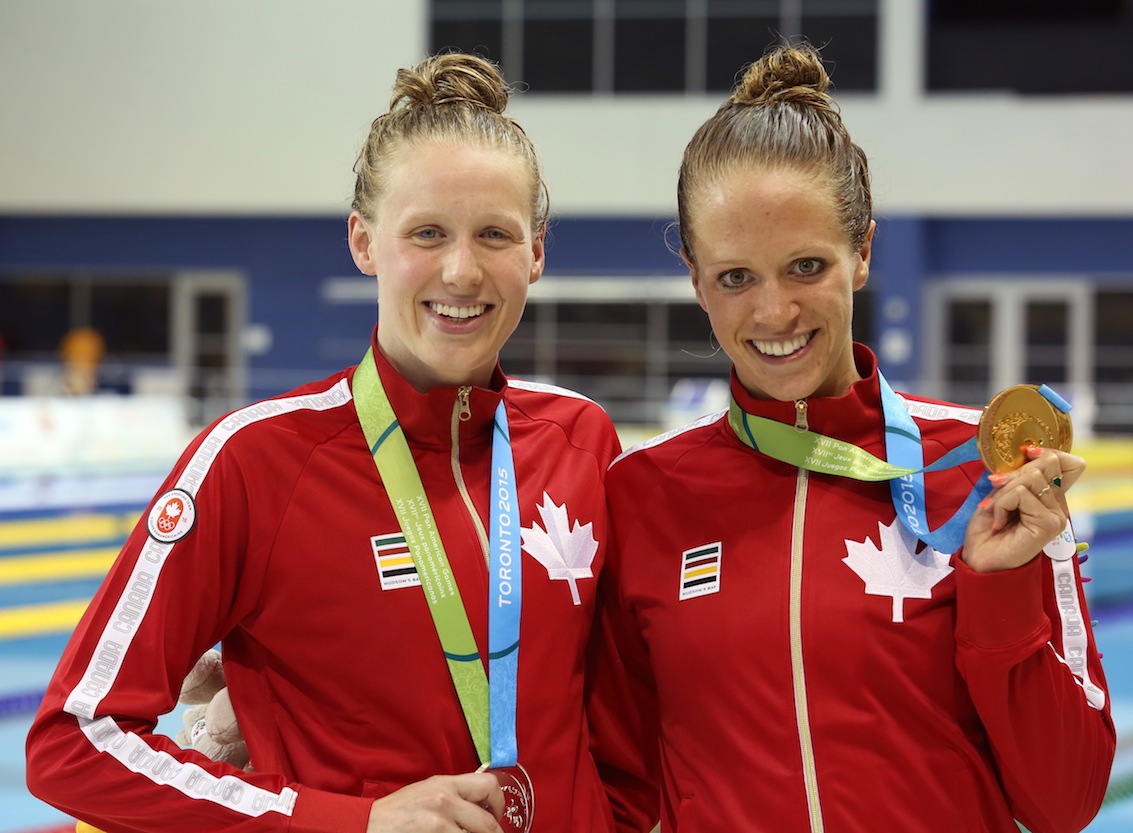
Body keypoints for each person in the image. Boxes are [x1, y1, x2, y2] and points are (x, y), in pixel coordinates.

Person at [26, 52, 622, 833]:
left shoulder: (581, 442)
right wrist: (348, 820)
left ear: (536, 252)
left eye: (494, 235)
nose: (461, 269)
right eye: (427, 232)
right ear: (364, 243)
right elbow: (73, 740)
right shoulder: (254, 461)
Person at [587, 42, 1115, 833]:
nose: (773, 313)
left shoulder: (984, 474)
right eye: (735, 277)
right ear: (695, 279)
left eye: (805, 266)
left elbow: (1065, 802)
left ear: (862, 252)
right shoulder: (642, 497)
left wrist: (1000, 587)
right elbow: (620, 792)